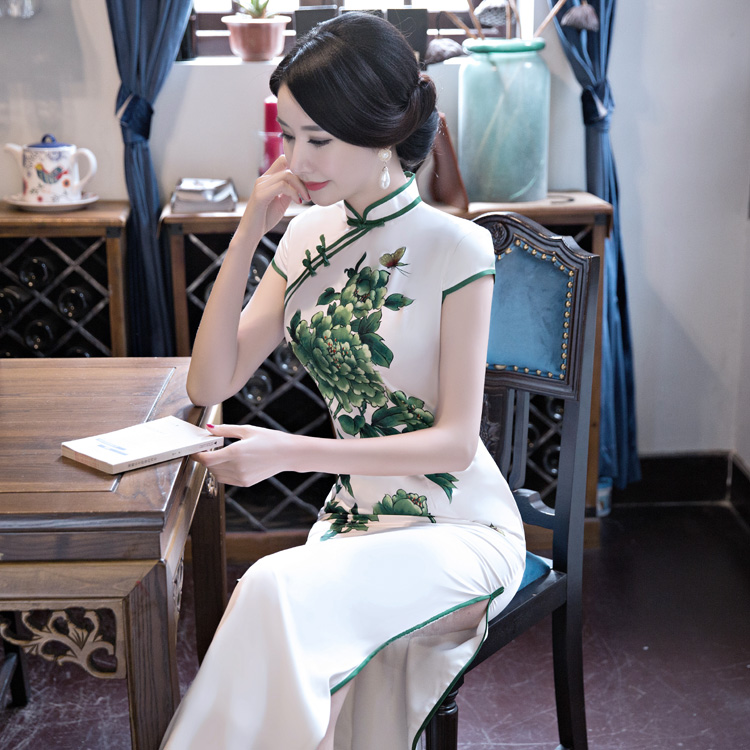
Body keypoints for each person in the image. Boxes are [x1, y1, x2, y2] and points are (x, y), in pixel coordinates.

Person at [160, 12, 525, 750]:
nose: (296, 160)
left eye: (318, 140)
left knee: (270, 586)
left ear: (382, 131)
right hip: (356, 520)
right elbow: (210, 379)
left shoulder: (458, 247)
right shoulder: (304, 235)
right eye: (288, 135)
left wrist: (289, 452)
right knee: (278, 605)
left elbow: (456, 445)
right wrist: (247, 233)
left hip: (459, 528)